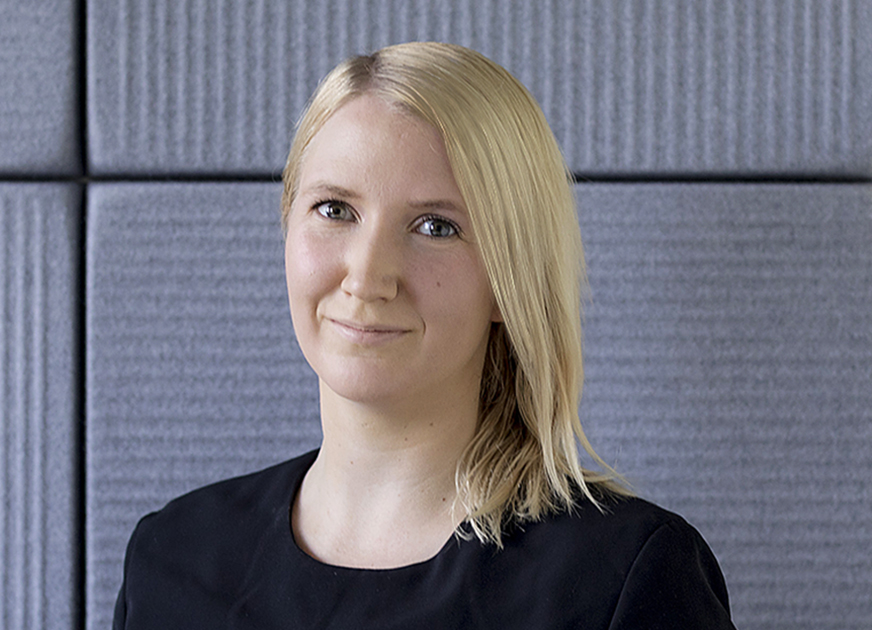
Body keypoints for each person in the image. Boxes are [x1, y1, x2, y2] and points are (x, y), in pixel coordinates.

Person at [113, 41, 736, 629]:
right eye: (335, 210)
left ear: (510, 279)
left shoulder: (624, 577)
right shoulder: (171, 559)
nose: (367, 277)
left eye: (435, 227)